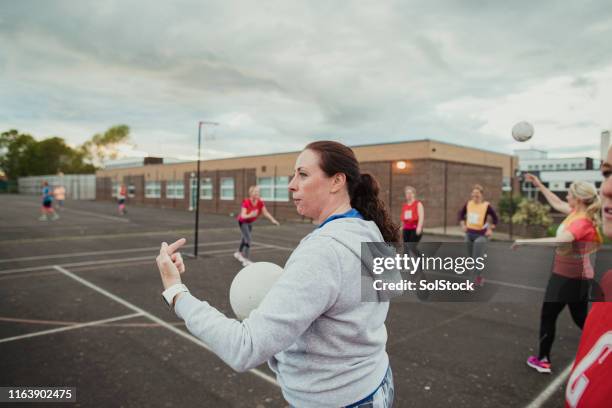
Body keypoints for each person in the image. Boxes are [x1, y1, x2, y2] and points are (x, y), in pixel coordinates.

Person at [156, 141, 398, 407]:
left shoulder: (324, 251)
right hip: (376, 383)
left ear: (337, 181)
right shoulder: (368, 232)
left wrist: (175, 290)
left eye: (303, 174)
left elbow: (244, 347)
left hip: (339, 400)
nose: (291, 184)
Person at [513, 175, 602, 375]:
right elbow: (556, 201)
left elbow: (559, 241)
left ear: (578, 199)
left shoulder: (581, 223)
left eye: (569, 193)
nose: (566, 196)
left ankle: (543, 360)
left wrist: (524, 242)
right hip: (576, 278)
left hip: (566, 280)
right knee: (581, 319)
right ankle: (606, 343)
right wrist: (539, 185)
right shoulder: (576, 213)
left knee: (548, 316)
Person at [565, 146, 612, 407]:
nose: (606, 187)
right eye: (607, 173)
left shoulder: (581, 221)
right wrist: (538, 183)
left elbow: (564, 238)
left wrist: (529, 241)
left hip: (574, 276)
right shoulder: (610, 284)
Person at [458, 184, 498, 286]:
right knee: (472, 259)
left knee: (476, 259)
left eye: (477, 195)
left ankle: (470, 282)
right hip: (469, 235)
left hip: (481, 236)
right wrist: (462, 224)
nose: (475, 197)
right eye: (473, 195)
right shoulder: (468, 204)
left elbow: (495, 218)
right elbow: (460, 215)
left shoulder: (486, 206)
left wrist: (491, 229)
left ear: (481, 195)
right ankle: (479, 277)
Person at [233, 185, 280, 266]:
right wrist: (250, 215)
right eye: (255, 192)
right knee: (248, 239)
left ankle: (238, 253)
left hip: (249, 222)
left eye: (258, 192)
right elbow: (243, 215)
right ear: (251, 193)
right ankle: (246, 260)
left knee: (245, 238)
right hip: (242, 222)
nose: (257, 193)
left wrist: (273, 220)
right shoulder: (246, 202)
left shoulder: (260, 202)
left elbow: (265, 212)